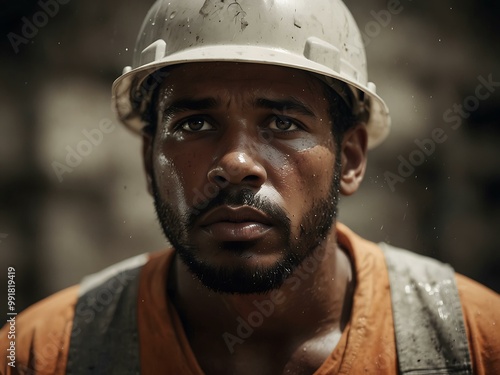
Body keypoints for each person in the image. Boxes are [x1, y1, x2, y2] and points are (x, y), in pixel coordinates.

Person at [2, 0, 499, 374]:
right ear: (149, 163)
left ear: (350, 158)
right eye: (195, 124)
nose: (236, 163)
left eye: (282, 122)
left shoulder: (478, 341)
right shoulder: (40, 353)